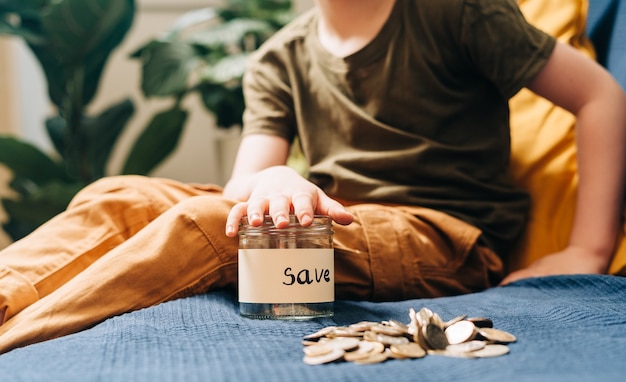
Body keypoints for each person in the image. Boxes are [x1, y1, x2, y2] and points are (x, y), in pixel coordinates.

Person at [0, 0, 624, 354]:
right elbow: (243, 188)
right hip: (328, 213)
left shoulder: (457, 12)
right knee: (117, 195)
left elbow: (601, 96)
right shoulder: (280, 56)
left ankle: (18, 342)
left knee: (212, 229)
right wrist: (276, 178)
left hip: (441, 237)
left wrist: (587, 247)